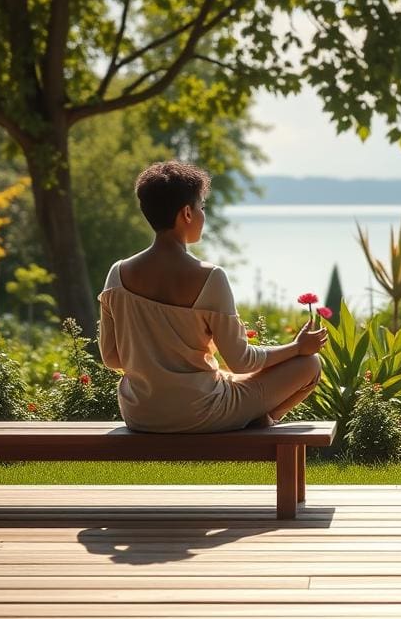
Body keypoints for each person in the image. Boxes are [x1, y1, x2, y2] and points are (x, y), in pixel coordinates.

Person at [97, 160, 327, 433]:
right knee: (310, 364)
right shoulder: (210, 277)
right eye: (202, 207)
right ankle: (259, 422)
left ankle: (254, 418)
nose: (203, 215)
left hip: (140, 414)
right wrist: (297, 348)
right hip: (202, 411)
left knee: (225, 378)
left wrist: (159, 363)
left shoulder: (117, 274)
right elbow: (242, 361)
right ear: (187, 213)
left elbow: (112, 358)